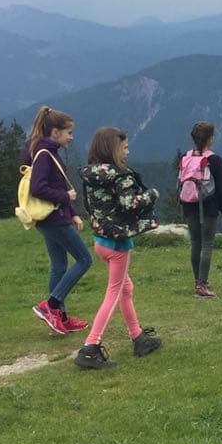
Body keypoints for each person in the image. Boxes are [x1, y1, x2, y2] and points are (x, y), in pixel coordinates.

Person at [74, 126, 163, 369]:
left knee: (125, 288)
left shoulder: (91, 174)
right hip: (118, 243)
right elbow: (129, 204)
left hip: (100, 241)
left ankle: (138, 337)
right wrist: (151, 194)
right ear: (113, 149)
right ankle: (90, 347)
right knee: (113, 293)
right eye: (124, 147)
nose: (127, 151)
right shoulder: (120, 175)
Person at [24, 106, 92, 335]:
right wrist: (66, 199)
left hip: (52, 217)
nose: (71, 137)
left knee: (60, 265)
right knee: (84, 259)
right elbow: (39, 188)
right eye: (69, 132)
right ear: (55, 132)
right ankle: (51, 305)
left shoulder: (44, 150)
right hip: (54, 219)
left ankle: (58, 320)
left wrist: (72, 211)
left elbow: (57, 184)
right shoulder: (45, 154)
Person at [178, 120, 222, 297]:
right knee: (207, 244)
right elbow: (221, 187)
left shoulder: (186, 157)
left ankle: (197, 281)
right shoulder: (214, 159)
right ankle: (202, 285)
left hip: (189, 204)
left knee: (195, 243)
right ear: (210, 139)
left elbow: (180, 182)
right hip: (208, 206)